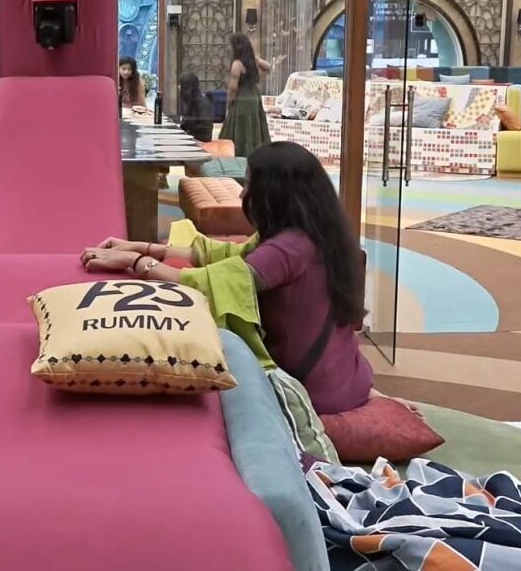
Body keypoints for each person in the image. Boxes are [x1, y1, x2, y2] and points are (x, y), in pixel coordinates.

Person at [79, 142, 418, 417]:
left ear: (274, 194)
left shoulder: (288, 249)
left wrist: (135, 263)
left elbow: (203, 284)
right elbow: (225, 256)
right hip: (349, 379)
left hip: (316, 395)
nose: (243, 195)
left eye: (250, 185)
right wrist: (142, 246)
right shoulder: (316, 233)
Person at [219, 33, 271, 157]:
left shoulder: (237, 64)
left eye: (231, 45)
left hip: (242, 97)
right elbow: (268, 67)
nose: (229, 48)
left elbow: (233, 87)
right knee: (253, 122)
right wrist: (256, 79)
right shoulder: (253, 59)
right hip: (254, 95)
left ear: (236, 47)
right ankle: (255, 151)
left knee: (240, 123)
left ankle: (240, 152)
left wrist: (229, 103)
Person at [178, 72, 214, 143]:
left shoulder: (202, 102)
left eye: (181, 85)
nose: (179, 87)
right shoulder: (192, 100)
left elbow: (205, 131)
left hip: (200, 140)